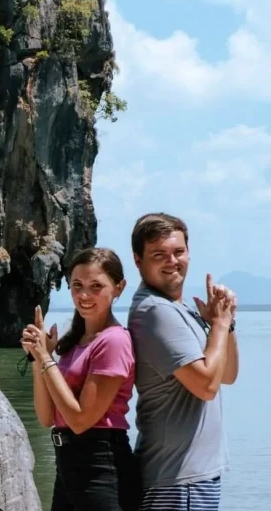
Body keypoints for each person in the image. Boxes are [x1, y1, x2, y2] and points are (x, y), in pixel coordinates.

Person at [127, 213, 239, 510]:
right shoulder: (155, 312)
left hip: (192, 477)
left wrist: (225, 324)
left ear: (189, 253)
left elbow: (225, 375)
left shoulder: (179, 310)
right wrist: (217, 326)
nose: (172, 261)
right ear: (138, 260)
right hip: (177, 481)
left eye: (178, 252)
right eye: (158, 255)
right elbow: (206, 386)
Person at [22, 247, 141, 511]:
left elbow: (79, 420)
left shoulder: (114, 341)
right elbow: (46, 417)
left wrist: (46, 358)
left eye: (96, 286)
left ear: (119, 288)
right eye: (77, 285)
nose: (84, 295)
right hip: (67, 466)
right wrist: (37, 357)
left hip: (101, 466)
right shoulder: (73, 344)